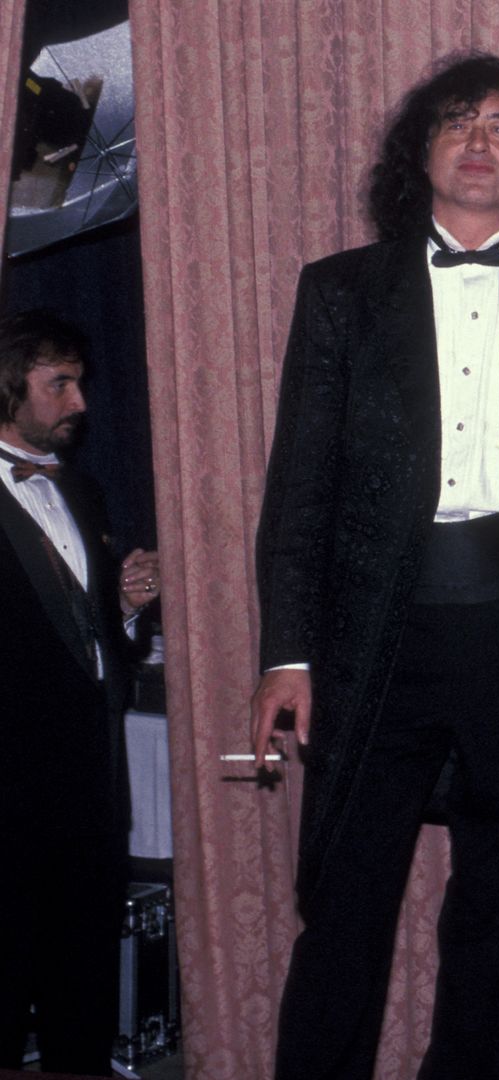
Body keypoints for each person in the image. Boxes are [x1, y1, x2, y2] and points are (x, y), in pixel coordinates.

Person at [249, 53, 499, 1080]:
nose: (480, 139)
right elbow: (301, 488)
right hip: (376, 639)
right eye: (457, 121)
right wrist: (288, 655)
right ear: (422, 152)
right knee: (345, 907)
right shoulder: (339, 293)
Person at [0, 310, 159, 1076]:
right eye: (58, 383)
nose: (80, 403)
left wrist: (126, 609)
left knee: (83, 986)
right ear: (8, 386)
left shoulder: (86, 495)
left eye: (81, 383)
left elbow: (90, 640)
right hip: (7, 796)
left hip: (91, 790)